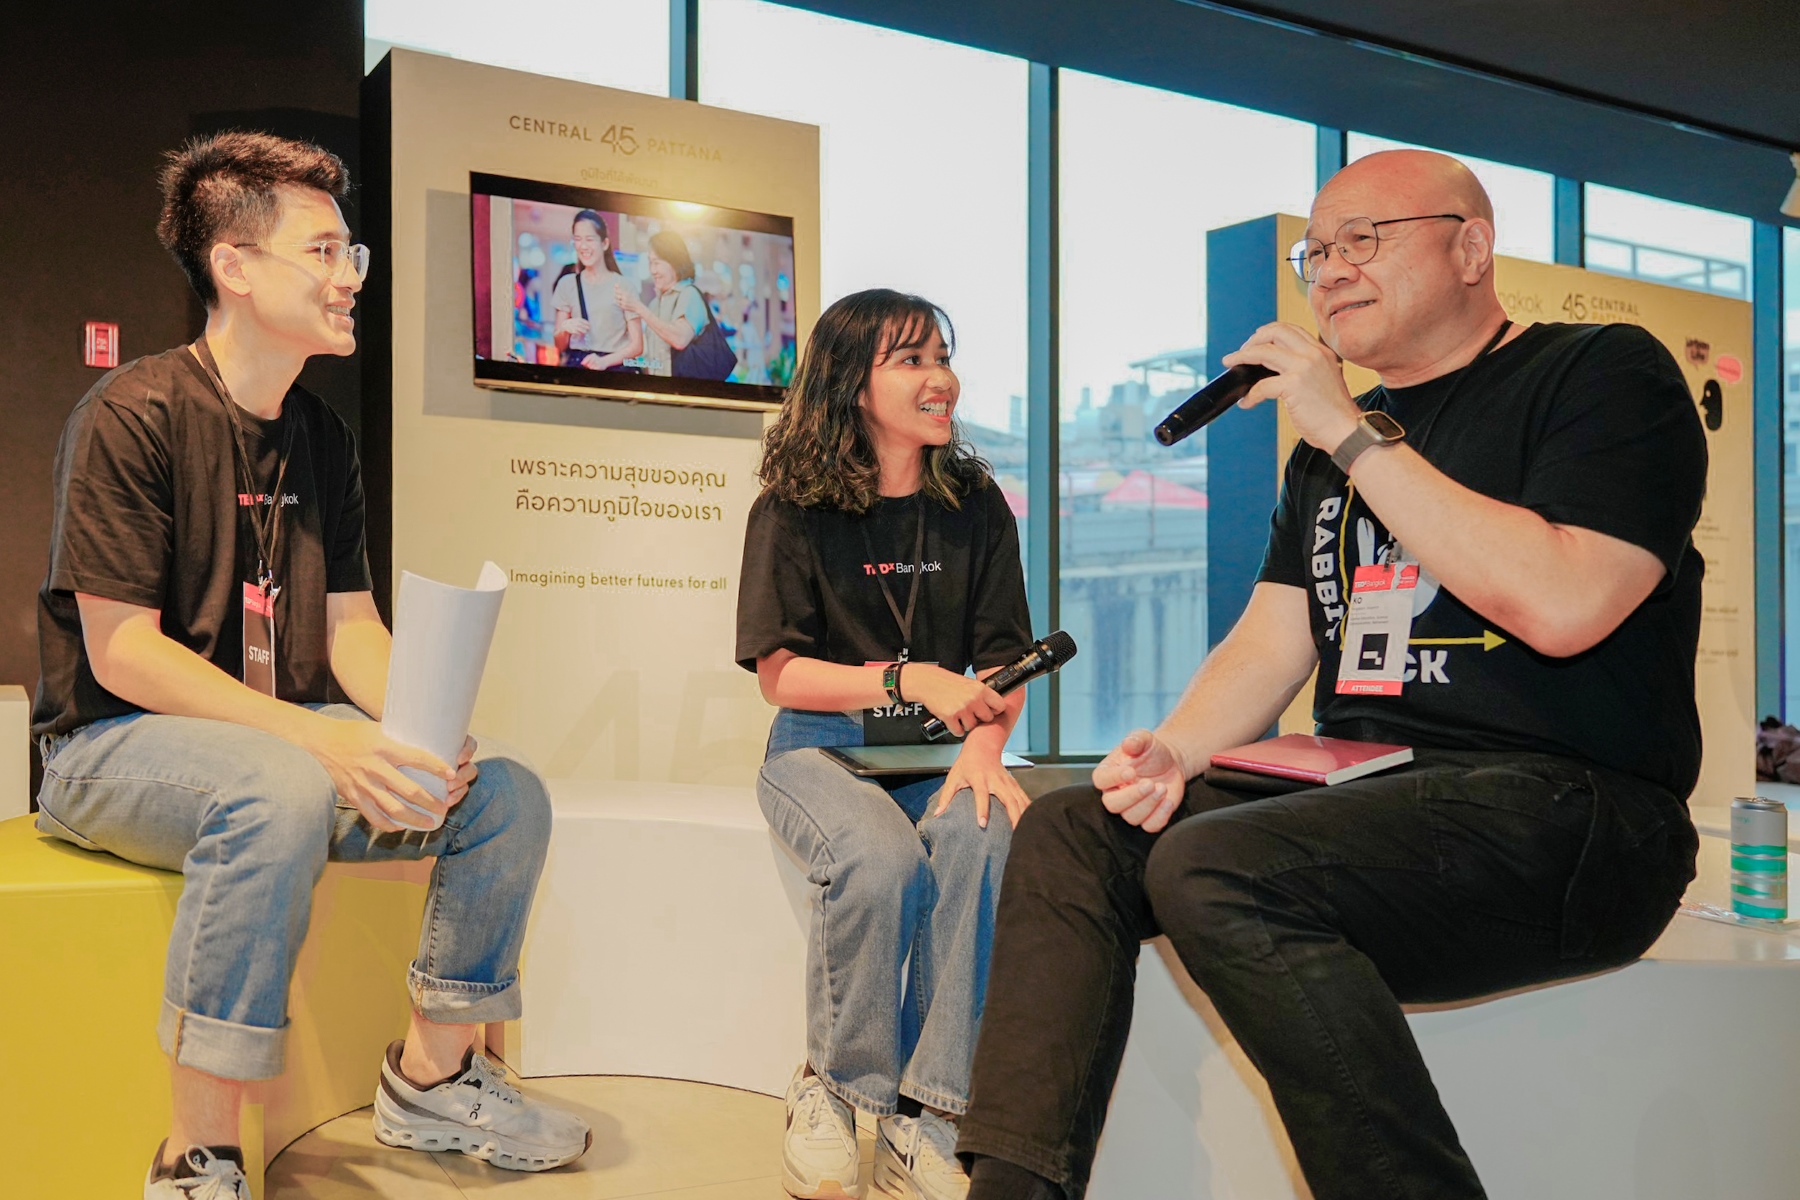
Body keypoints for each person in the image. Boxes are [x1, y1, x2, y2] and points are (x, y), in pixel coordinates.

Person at [957, 149, 1705, 1200]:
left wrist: (1348, 430)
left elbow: (1566, 603)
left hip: (1573, 812)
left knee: (1217, 867)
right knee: (1075, 831)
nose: (1332, 270)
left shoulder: (1599, 374)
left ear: (1473, 246)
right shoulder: (1327, 458)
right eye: (1317, 252)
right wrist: (1174, 750)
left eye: (1366, 240)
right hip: (1363, 789)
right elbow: (1271, 641)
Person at [30, 131, 591, 1200]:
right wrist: (317, 739)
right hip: (106, 748)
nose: (349, 279)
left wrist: (417, 730)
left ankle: (432, 1080)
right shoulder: (132, 415)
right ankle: (197, 1151)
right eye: (324, 252)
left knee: (503, 794)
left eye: (352, 255)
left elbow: (348, 629)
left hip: (271, 749)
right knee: (280, 786)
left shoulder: (322, 439)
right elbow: (124, 651)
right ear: (234, 267)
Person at [737, 289, 1035, 1200]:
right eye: (911, 361)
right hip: (819, 746)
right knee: (877, 857)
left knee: (983, 838)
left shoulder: (974, 503)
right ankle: (836, 1092)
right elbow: (781, 675)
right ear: (850, 384)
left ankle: (931, 1118)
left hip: (947, 748)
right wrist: (910, 681)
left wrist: (984, 747)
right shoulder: (792, 507)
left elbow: (1003, 663)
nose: (940, 378)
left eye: (942, 356)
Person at [551, 208, 642, 371]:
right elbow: (559, 344)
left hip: (614, 369)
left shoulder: (624, 285)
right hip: (578, 366)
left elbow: (637, 346)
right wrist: (565, 328)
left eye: (590, 239)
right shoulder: (567, 284)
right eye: (578, 239)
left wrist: (604, 361)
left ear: (604, 243)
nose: (583, 246)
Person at [615, 229, 712, 377]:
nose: (653, 270)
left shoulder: (689, 294)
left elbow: (679, 339)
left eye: (657, 263)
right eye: (650, 262)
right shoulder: (655, 303)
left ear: (675, 262)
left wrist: (638, 307)